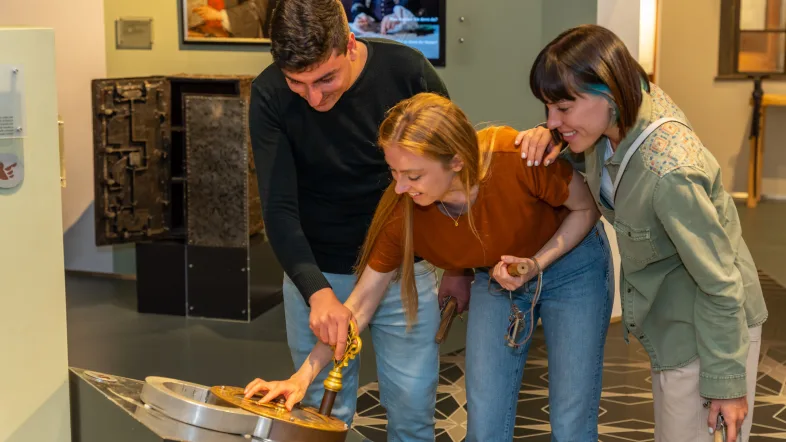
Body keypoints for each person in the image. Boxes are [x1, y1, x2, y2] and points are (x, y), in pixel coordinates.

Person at [245, 92, 614, 442]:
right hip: (498, 277)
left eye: (413, 175)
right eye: (393, 172)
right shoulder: (402, 211)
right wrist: (301, 378)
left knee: (570, 417)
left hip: (571, 266)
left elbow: (586, 209)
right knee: (484, 421)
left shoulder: (512, 157)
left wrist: (535, 264)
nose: (401, 188)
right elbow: (358, 307)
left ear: (456, 161)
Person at [517, 24, 768, 442]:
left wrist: (726, 383)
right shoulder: (620, 119)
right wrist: (554, 136)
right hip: (673, 322)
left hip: (709, 332)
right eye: (547, 107)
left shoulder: (669, 173)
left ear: (611, 95)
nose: (551, 120)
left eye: (562, 107)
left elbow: (720, 283)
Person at [246, 0, 458, 440]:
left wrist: (458, 266)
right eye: (297, 84)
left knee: (413, 406)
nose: (315, 97)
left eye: (326, 78)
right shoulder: (268, 94)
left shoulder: (407, 72)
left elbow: (451, 177)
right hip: (315, 268)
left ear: (350, 43)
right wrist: (316, 291)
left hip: (403, 268)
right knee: (320, 416)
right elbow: (279, 209)